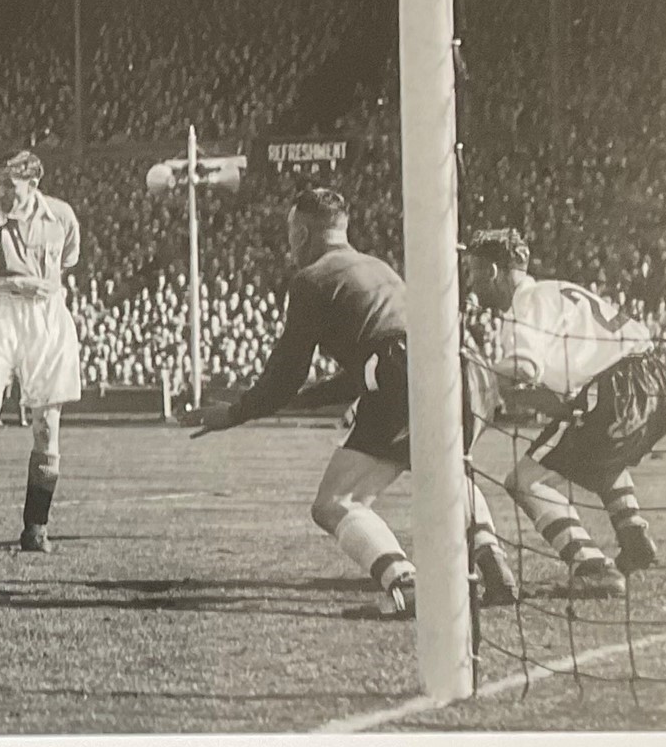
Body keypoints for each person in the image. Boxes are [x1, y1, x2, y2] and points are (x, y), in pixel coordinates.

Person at [189, 189, 515, 618]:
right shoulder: (377, 268)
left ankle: (407, 586)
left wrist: (234, 412)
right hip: (469, 372)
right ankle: (493, 565)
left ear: (302, 233)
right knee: (443, 470)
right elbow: (367, 367)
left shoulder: (312, 279)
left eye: (290, 232)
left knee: (335, 503)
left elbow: (289, 373)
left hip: (404, 371)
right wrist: (306, 400)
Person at [462, 228, 666, 596]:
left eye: (472, 270)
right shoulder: (558, 289)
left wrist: (482, 368)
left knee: (523, 481)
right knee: (595, 448)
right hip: (660, 387)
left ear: (493, 271)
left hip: (617, 390)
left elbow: (524, 369)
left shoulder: (524, 305)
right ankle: (633, 534)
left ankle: (592, 566)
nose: (470, 281)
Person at [0, 150, 81, 553]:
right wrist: (11, 285)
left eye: (10, 184)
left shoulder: (62, 216)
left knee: (47, 424)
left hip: (45, 318)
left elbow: (69, 261)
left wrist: (38, 289)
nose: (1, 191)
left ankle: (35, 526)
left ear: (33, 183)